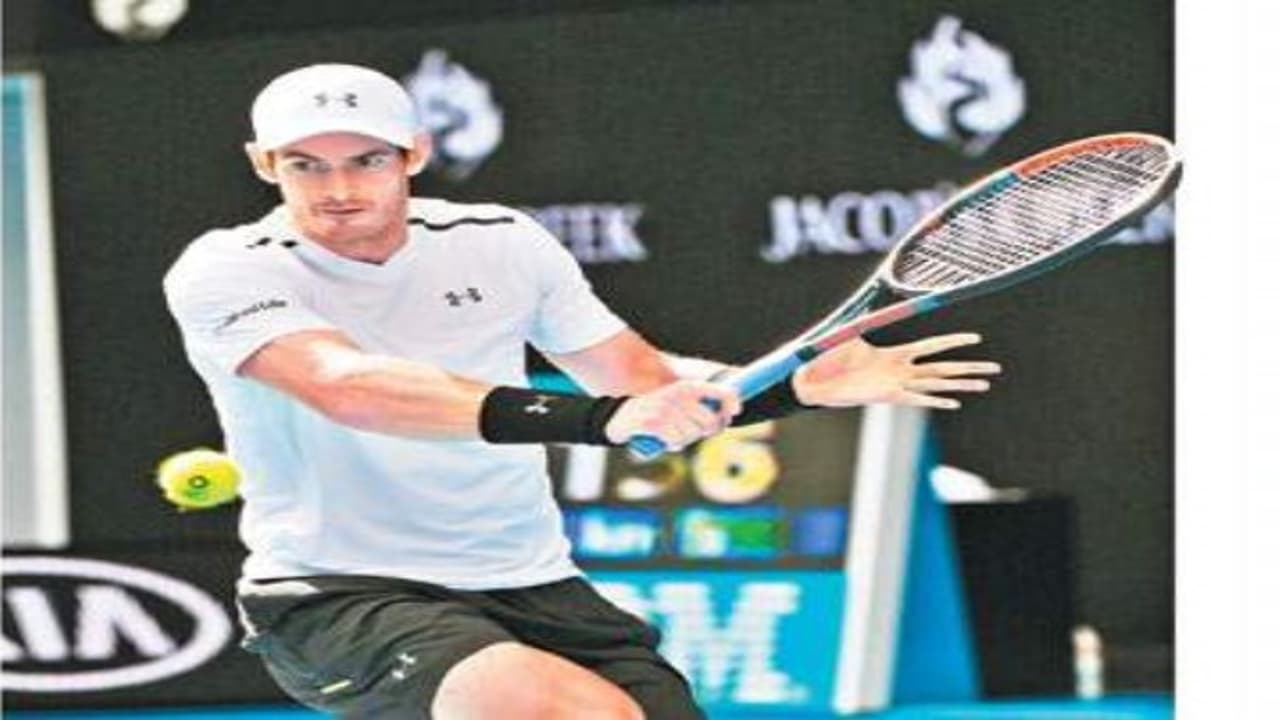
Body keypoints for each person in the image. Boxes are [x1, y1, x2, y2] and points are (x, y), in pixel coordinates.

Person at [164, 63, 1000, 720]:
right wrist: (602, 421)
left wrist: (794, 387)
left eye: (367, 160)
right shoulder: (228, 269)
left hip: (531, 581)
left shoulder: (503, 243)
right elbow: (349, 388)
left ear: (413, 154)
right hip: (339, 591)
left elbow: (640, 380)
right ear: (264, 164)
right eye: (305, 165)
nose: (339, 189)